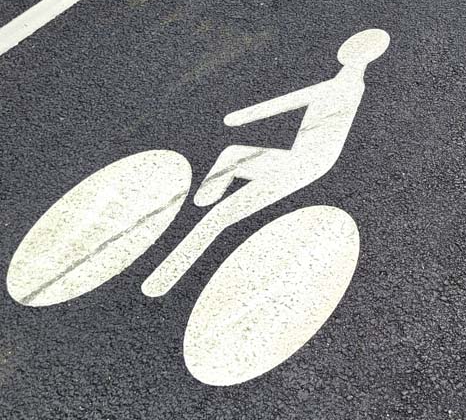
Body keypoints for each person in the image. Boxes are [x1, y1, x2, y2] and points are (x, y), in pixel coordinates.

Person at [142, 29, 390, 297]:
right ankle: (204, 198)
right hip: (306, 158)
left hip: (304, 162)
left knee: (222, 214)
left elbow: (287, 102)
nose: (345, 49)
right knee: (233, 156)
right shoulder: (348, 83)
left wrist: (238, 118)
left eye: (353, 47)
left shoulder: (341, 85)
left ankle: (164, 278)